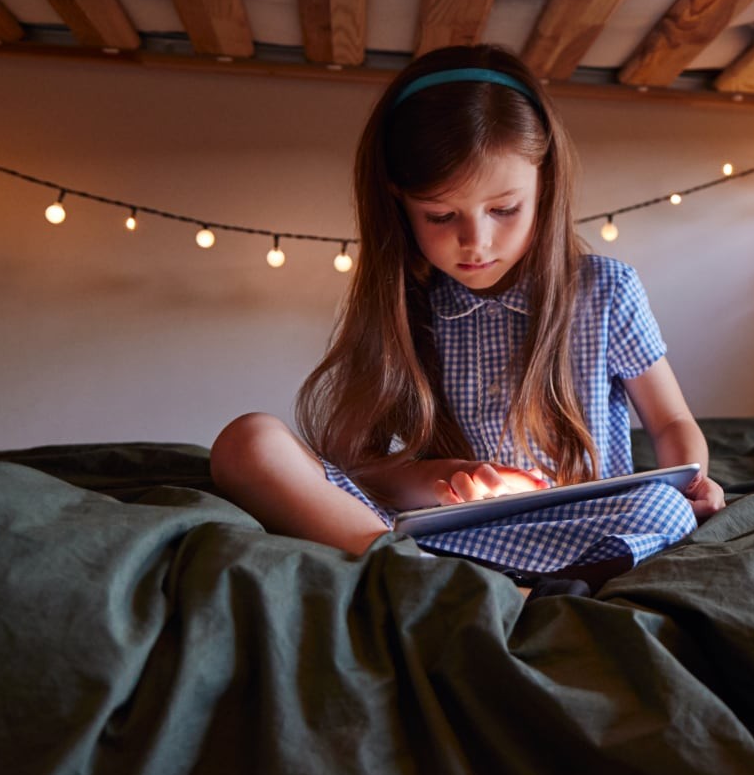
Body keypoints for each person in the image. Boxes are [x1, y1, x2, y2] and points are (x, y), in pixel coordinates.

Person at [210, 44, 724, 594]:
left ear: (544, 184)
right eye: (440, 215)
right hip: (438, 536)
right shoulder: (407, 306)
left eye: (504, 209)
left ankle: (472, 588)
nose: (475, 241)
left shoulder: (604, 290)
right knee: (248, 442)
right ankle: (434, 581)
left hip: (581, 526)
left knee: (663, 509)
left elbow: (670, 423)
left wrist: (691, 483)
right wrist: (445, 477)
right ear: (399, 205)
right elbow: (363, 472)